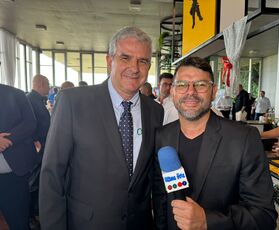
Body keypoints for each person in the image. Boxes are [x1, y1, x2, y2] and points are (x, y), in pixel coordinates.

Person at [39, 26, 164, 230]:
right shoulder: (73, 103)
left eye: (143, 61)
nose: (134, 68)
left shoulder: (155, 111)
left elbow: (152, 177)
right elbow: (52, 174)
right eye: (125, 58)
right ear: (109, 61)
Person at [152, 57, 277, 230]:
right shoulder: (161, 136)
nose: (191, 92)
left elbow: (264, 216)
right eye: (181, 85)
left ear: (213, 91)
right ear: (172, 91)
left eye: (201, 85)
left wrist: (207, 221)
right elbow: (160, 200)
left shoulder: (244, 138)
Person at [0, 84, 38, 230]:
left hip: (14, 173)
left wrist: (7, 141)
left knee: (19, 223)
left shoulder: (16, 94)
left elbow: (30, 123)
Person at [26, 74, 50, 227]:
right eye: (47, 84)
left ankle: (34, 212)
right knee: (33, 183)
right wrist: (36, 142)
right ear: (40, 84)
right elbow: (29, 122)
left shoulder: (36, 100)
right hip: (37, 148)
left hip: (41, 146)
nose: (49, 88)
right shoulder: (30, 100)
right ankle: (30, 216)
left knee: (37, 181)